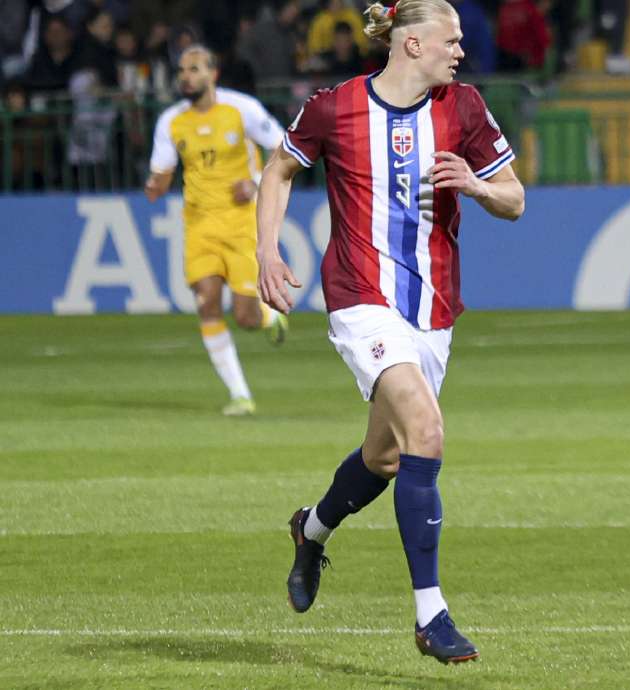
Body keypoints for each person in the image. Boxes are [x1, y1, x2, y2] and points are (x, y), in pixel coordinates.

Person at [255, 0, 524, 665]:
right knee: (426, 433)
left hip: (432, 310)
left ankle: (310, 532)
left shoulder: (463, 109)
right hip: (360, 300)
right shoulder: (334, 107)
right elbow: (279, 170)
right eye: (451, 40)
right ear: (411, 45)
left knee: (385, 458)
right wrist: (266, 252)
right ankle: (431, 614)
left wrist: (478, 187)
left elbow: (515, 198)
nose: (461, 51)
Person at [145, 45, 289, 417]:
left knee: (246, 317)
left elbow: (283, 147)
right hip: (199, 225)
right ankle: (240, 394)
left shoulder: (242, 110)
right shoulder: (171, 121)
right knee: (206, 301)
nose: (186, 77)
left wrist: (256, 181)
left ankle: (269, 317)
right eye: (181, 71)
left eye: (193, 69)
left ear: (213, 73)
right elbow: (161, 171)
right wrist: (156, 185)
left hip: (242, 223)